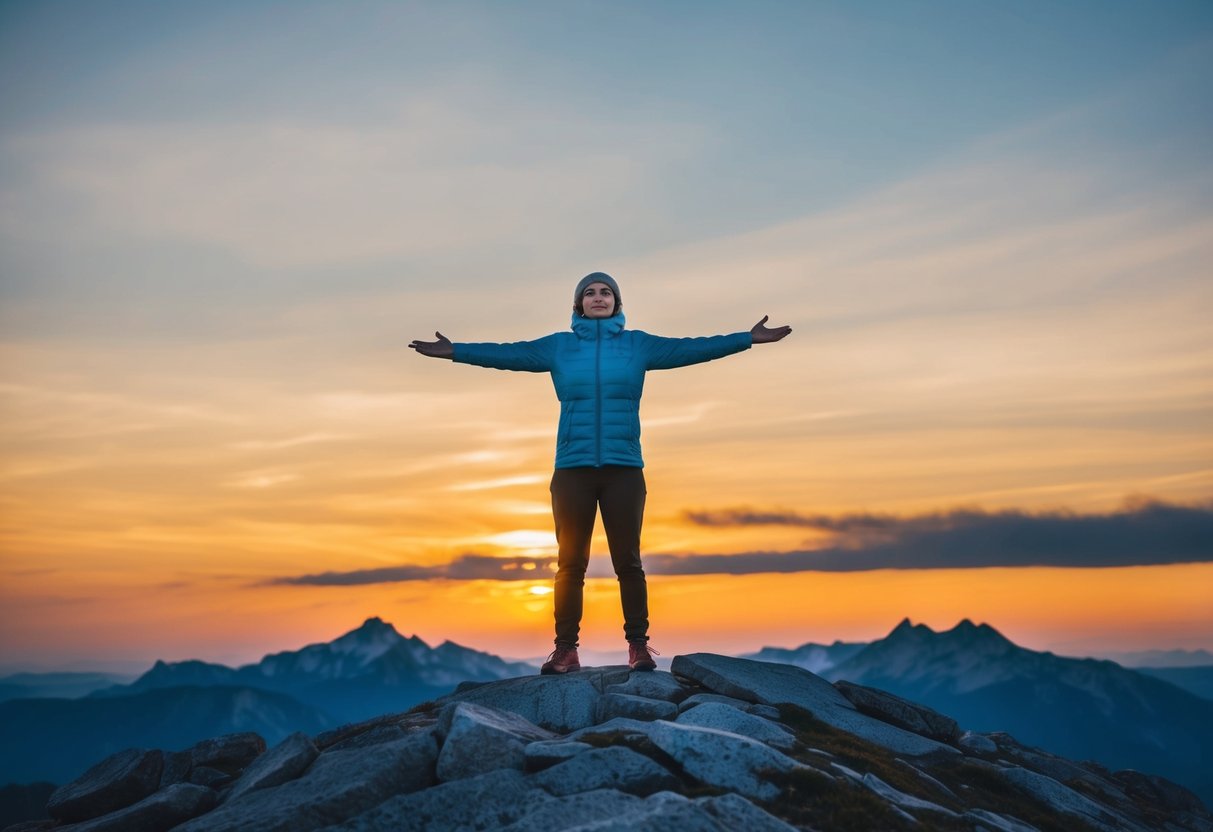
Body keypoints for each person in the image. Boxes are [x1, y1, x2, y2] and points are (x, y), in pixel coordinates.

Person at [410, 272, 791, 674]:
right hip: (572, 470)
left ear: (617, 302)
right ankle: (565, 651)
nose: (597, 297)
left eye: (605, 292)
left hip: (624, 468)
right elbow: (508, 354)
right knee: (570, 563)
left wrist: (747, 339)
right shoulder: (558, 347)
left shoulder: (637, 346)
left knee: (628, 562)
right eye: (589, 293)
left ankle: (639, 648)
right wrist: (454, 351)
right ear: (578, 304)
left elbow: (693, 348)